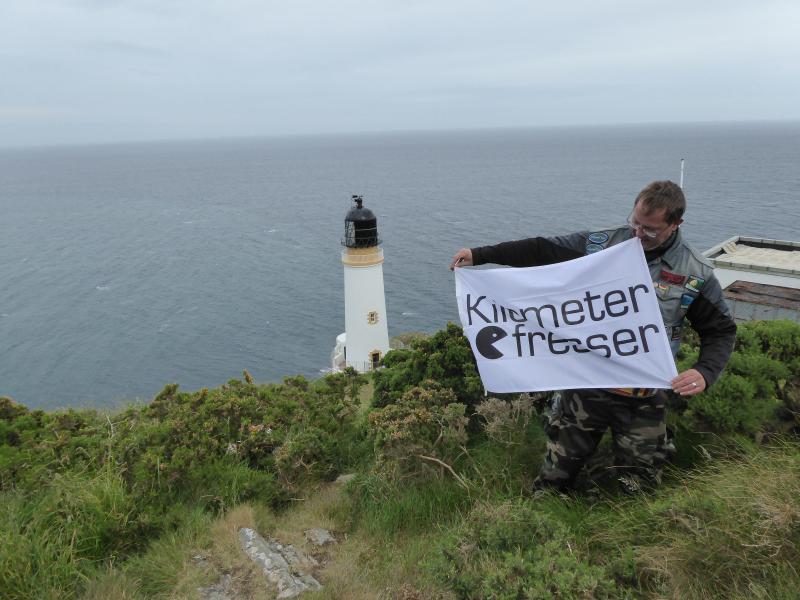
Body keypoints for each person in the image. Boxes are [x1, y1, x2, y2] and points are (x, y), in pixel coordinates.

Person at [449, 180, 737, 492]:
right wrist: (479, 255)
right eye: (635, 223)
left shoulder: (695, 273)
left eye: (650, 230)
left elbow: (720, 330)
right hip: (587, 386)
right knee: (553, 479)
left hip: (645, 397)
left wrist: (705, 371)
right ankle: (542, 526)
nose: (639, 235)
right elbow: (542, 250)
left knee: (637, 486)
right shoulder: (601, 245)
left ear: (675, 224)